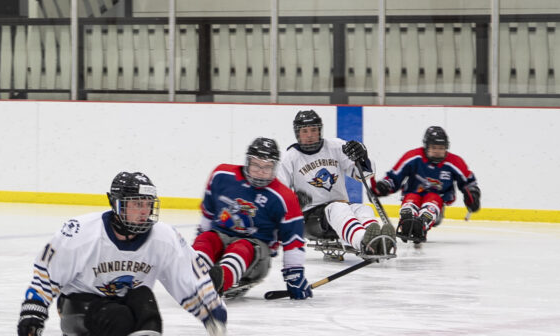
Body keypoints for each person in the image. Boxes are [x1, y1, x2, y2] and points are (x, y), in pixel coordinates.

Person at [16, 171, 226, 336]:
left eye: (147, 204)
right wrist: (33, 311)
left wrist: (211, 312)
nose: (144, 211)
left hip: (125, 300)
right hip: (79, 305)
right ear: (116, 204)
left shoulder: (164, 237)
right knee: (119, 317)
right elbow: (48, 274)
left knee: (144, 298)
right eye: (136, 204)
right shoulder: (81, 233)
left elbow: (186, 276)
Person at [193, 137, 313, 300]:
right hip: (221, 238)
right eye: (256, 165)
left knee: (242, 247)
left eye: (267, 167)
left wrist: (294, 276)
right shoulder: (221, 175)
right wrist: (201, 242)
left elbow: (293, 241)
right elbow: (208, 212)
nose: (260, 172)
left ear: (275, 167)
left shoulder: (284, 198)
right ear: (247, 162)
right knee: (207, 238)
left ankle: (219, 281)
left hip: (256, 252)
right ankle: (193, 274)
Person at [277, 109, 395, 259]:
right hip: (310, 219)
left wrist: (363, 158)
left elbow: (363, 175)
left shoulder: (336, 146)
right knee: (337, 208)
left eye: (314, 130)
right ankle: (363, 242)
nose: (310, 135)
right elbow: (278, 194)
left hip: (340, 209)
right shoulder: (290, 157)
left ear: (320, 130)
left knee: (363, 209)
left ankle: (378, 241)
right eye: (304, 131)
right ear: (297, 133)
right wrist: (294, 202)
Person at [373, 126, 481, 243]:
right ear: (426, 146)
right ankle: (406, 221)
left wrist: (473, 195)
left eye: (441, 148)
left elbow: (469, 182)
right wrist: (384, 186)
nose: (437, 151)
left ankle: (422, 223)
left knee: (433, 199)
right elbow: (395, 177)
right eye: (434, 147)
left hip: (437, 200)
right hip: (413, 193)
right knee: (411, 199)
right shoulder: (413, 157)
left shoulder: (454, 162)